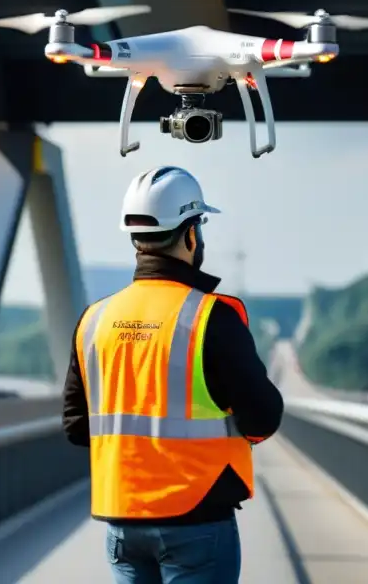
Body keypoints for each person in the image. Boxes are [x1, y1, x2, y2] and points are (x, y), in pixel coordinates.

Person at [61, 166, 284, 583]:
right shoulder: (210, 317)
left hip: (122, 520)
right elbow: (264, 417)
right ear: (190, 234)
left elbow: (77, 428)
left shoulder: (94, 320)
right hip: (197, 518)